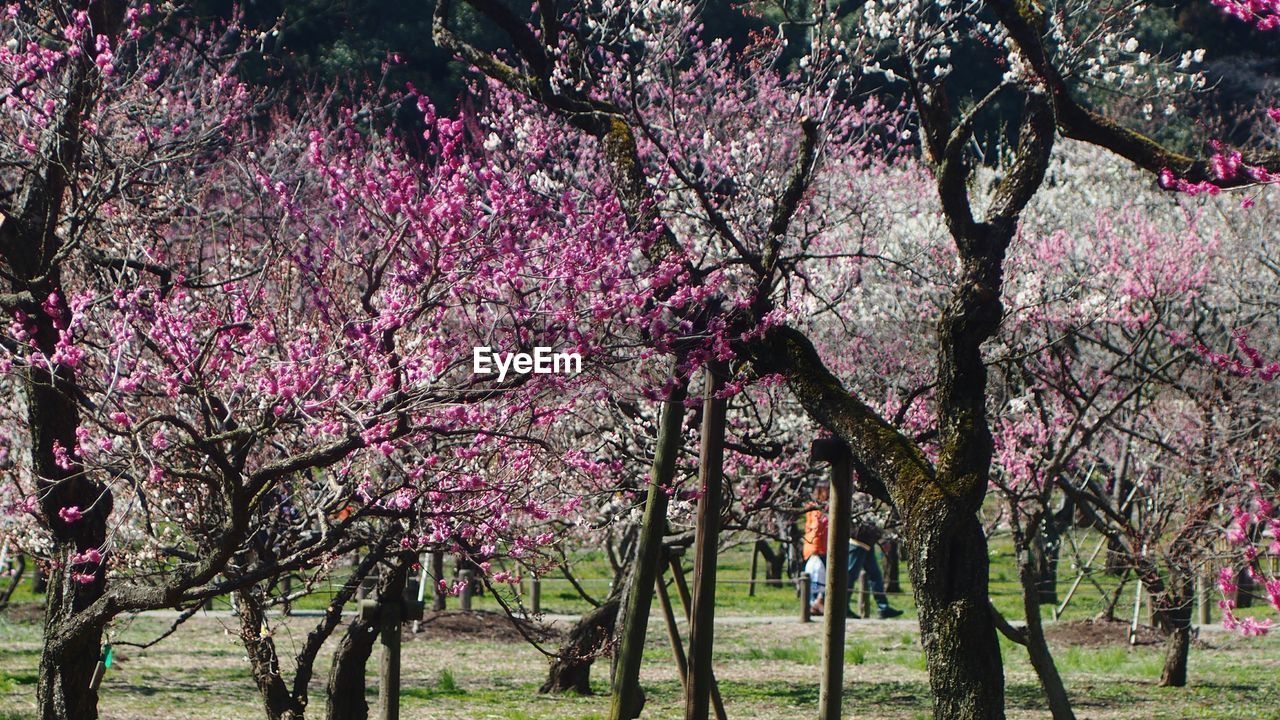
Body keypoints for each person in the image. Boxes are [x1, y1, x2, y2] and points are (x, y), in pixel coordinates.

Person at [802, 481, 904, 619]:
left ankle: (883, 607)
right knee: (849, 576)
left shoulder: (866, 498)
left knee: (875, 576)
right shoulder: (858, 498)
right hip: (858, 541)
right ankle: (842, 607)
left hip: (867, 542)